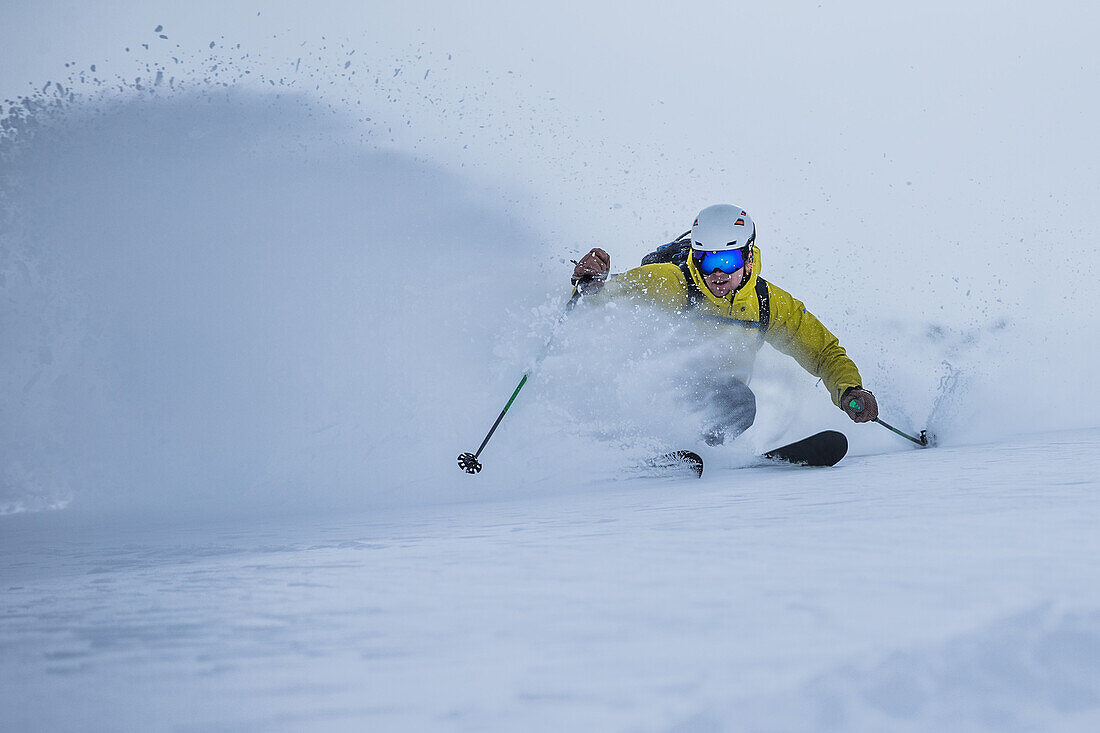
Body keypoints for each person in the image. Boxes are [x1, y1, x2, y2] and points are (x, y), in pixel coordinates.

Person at [570, 203, 878, 446]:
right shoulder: (671, 282)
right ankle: (638, 445)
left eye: (727, 261)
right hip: (652, 387)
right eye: (706, 260)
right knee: (733, 400)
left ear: (747, 257)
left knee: (738, 403)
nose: (716, 273)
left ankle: (696, 451)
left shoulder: (767, 304)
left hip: (718, 397)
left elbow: (823, 351)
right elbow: (605, 298)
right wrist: (591, 285)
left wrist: (849, 389)